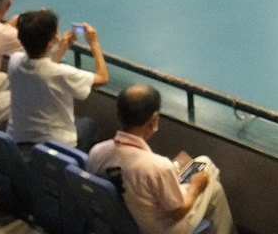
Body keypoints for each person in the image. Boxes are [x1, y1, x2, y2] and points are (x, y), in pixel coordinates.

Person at [87, 84, 236, 234]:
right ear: (153, 119)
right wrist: (195, 187)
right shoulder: (158, 167)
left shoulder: (97, 152)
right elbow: (178, 212)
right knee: (208, 170)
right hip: (162, 229)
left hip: (121, 223)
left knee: (213, 184)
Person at [7, 9, 108, 151]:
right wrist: (94, 44)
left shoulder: (14, 60)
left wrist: (61, 48)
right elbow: (103, 78)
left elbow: (43, 71)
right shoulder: (62, 73)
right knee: (88, 124)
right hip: (55, 144)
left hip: (18, 137)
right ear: (52, 41)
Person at [0, 0, 22, 125]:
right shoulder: (4, 33)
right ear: (8, 4)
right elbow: (39, 50)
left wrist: (7, 28)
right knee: (27, 96)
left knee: (4, 78)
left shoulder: (2, 32)